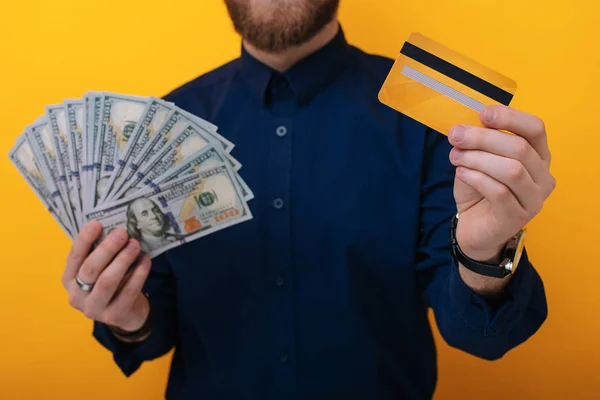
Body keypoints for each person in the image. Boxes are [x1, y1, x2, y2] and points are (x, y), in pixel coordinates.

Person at [61, 1, 556, 398]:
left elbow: (479, 334)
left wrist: (483, 254)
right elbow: (156, 327)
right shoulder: (165, 129)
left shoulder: (430, 121)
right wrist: (128, 318)